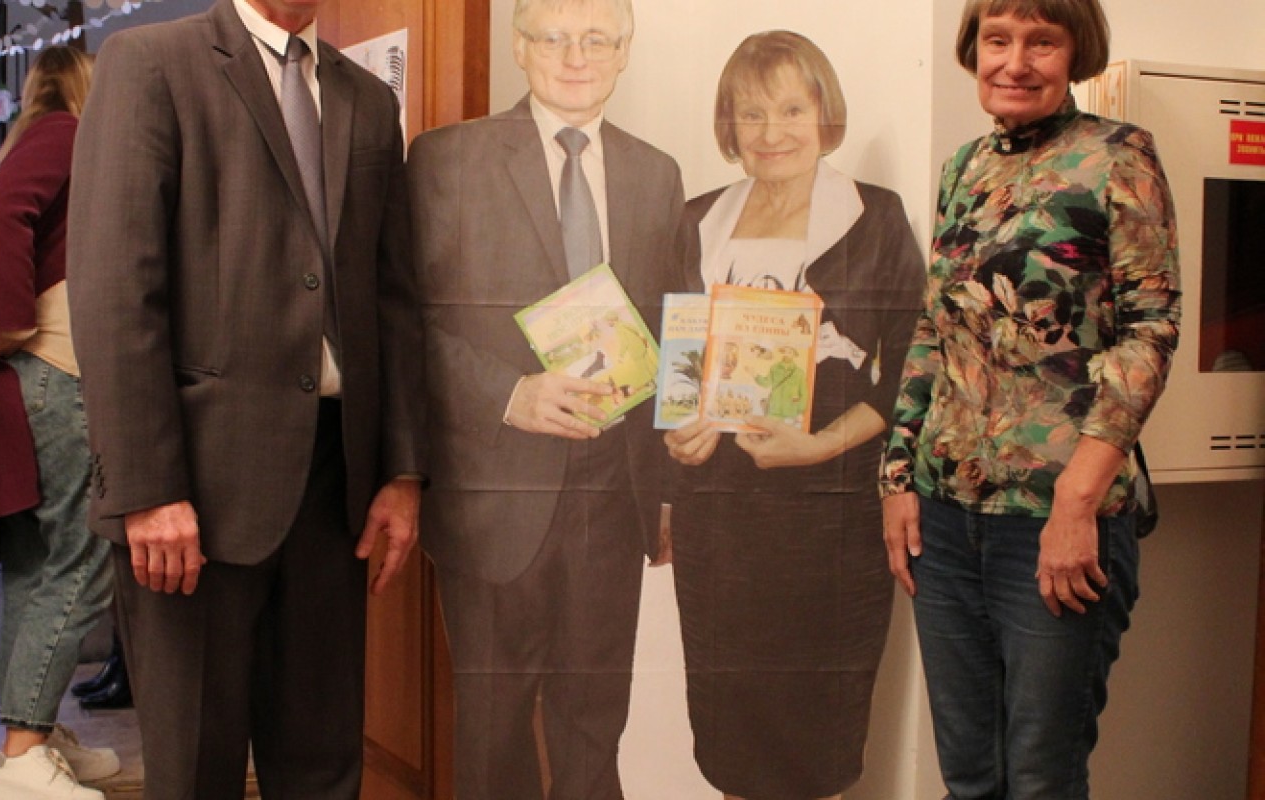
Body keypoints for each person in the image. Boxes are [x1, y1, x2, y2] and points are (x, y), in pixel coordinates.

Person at [65, 0, 424, 794]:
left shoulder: (369, 101)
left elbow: (392, 298)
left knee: (325, 767)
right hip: (191, 494)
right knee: (197, 769)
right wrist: (148, 488)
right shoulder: (150, 64)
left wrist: (401, 470)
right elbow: (116, 290)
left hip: (336, 490)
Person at [879, 1, 1180, 797]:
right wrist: (899, 478)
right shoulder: (963, 169)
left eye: (1041, 41)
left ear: (1076, 53)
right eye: (998, 40)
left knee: (1041, 779)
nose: (1015, 62)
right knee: (970, 776)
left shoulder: (1118, 157)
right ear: (974, 49)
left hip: (1057, 519)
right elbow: (933, 329)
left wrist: (1077, 503)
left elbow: (1151, 332)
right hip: (945, 521)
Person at [406, 0, 682, 796]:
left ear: (624, 52)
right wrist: (509, 394)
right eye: (554, 37)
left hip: (613, 495)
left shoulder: (657, 174)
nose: (575, 56)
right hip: (495, 493)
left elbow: (674, 328)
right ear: (519, 49)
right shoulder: (446, 159)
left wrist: (668, 491)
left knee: (595, 725)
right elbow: (405, 322)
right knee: (493, 733)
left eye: (597, 39)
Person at [663, 30, 925, 800]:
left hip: (828, 519)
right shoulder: (696, 218)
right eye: (751, 114)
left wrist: (818, 446)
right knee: (729, 732)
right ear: (729, 125)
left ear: (823, 115)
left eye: (790, 110)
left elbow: (916, 364)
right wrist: (677, 438)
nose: (771, 131)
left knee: (817, 737)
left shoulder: (876, 216)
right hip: (720, 522)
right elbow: (674, 354)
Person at [0, 45, 123, 798]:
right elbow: (0, 214)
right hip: (60, 371)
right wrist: (10, 317)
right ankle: (24, 753)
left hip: (34, 380)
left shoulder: (35, 138)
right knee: (81, 563)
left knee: (38, 571)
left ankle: (27, 739)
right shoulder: (68, 132)